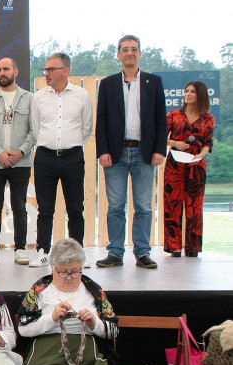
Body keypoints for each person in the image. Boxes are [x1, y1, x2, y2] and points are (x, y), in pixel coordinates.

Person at [95, 35, 167, 269]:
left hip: (144, 153)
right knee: (115, 206)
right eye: (125, 49)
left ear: (140, 54)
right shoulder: (108, 84)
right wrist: (102, 150)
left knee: (144, 206)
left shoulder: (153, 82)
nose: (129, 53)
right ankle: (115, 252)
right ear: (118, 54)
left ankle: (143, 253)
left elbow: (160, 119)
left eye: (134, 49)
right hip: (115, 154)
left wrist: (159, 149)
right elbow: (102, 120)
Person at [29, 52, 93, 268]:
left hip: (72, 157)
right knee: (45, 208)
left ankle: (77, 254)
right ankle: (43, 251)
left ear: (65, 71)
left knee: (75, 208)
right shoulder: (38, 97)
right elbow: (36, 128)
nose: (46, 73)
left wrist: (68, 144)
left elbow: (86, 129)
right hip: (45, 156)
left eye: (51, 69)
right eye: (45, 69)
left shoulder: (82, 95)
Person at [0, 57, 35, 265]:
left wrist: (20, 152)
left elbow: (34, 130)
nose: (2, 72)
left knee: (19, 206)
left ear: (16, 72)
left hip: (21, 162)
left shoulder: (29, 98)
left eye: (6, 69)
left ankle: (20, 248)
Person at [164, 81, 214, 258]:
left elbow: (208, 142)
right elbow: (162, 135)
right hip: (175, 163)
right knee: (172, 204)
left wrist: (201, 155)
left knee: (195, 206)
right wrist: (174, 143)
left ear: (200, 94)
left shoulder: (208, 118)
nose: (188, 94)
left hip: (196, 164)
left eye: (192, 91)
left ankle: (193, 246)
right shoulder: (174, 115)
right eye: (186, 91)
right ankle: (174, 246)